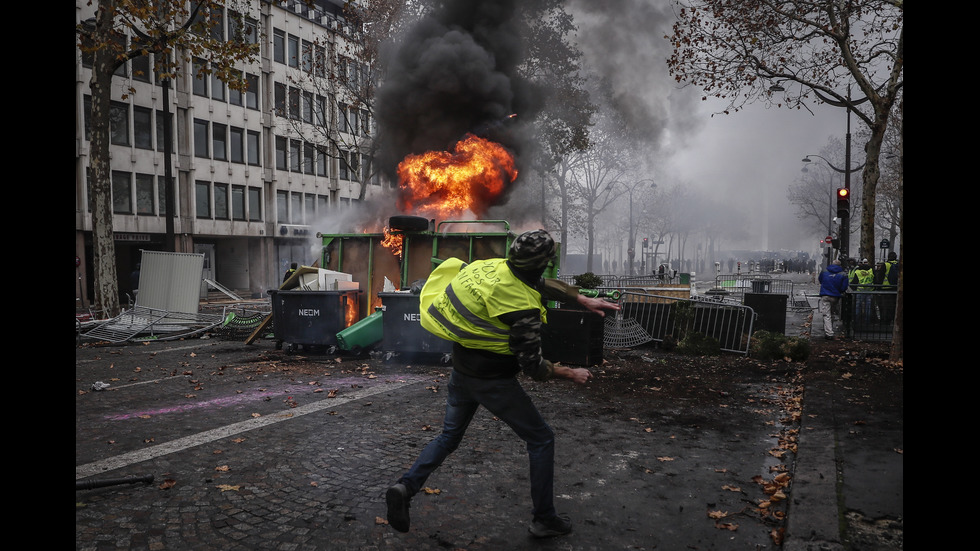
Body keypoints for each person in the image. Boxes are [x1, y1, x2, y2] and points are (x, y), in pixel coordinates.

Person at [385, 229, 621, 538]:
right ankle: (544, 519)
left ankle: (406, 486)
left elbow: (539, 282)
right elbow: (532, 366)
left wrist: (581, 298)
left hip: (462, 372)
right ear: (542, 263)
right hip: (493, 381)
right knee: (541, 439)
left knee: (448, 437)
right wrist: (570, 373)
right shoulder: (522, 308)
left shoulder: (493, 266)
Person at [818, 258, 849, 340]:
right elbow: (844, 287)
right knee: (832, 313)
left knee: (826, 314)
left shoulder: (825, 271)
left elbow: (820, 280)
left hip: (825, 294)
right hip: (835, 296)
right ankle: (829, 329)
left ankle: (829, 333)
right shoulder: (843, 274)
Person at [850, 258, 875, 324]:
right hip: (869, 291)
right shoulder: (871, 270)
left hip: (859, 291)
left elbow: (854, 282)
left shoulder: (857, 272)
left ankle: (857, 322)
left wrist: (852, 289)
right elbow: (875, 280)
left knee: (858, 307)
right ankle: (867, 322)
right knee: (868, 308)